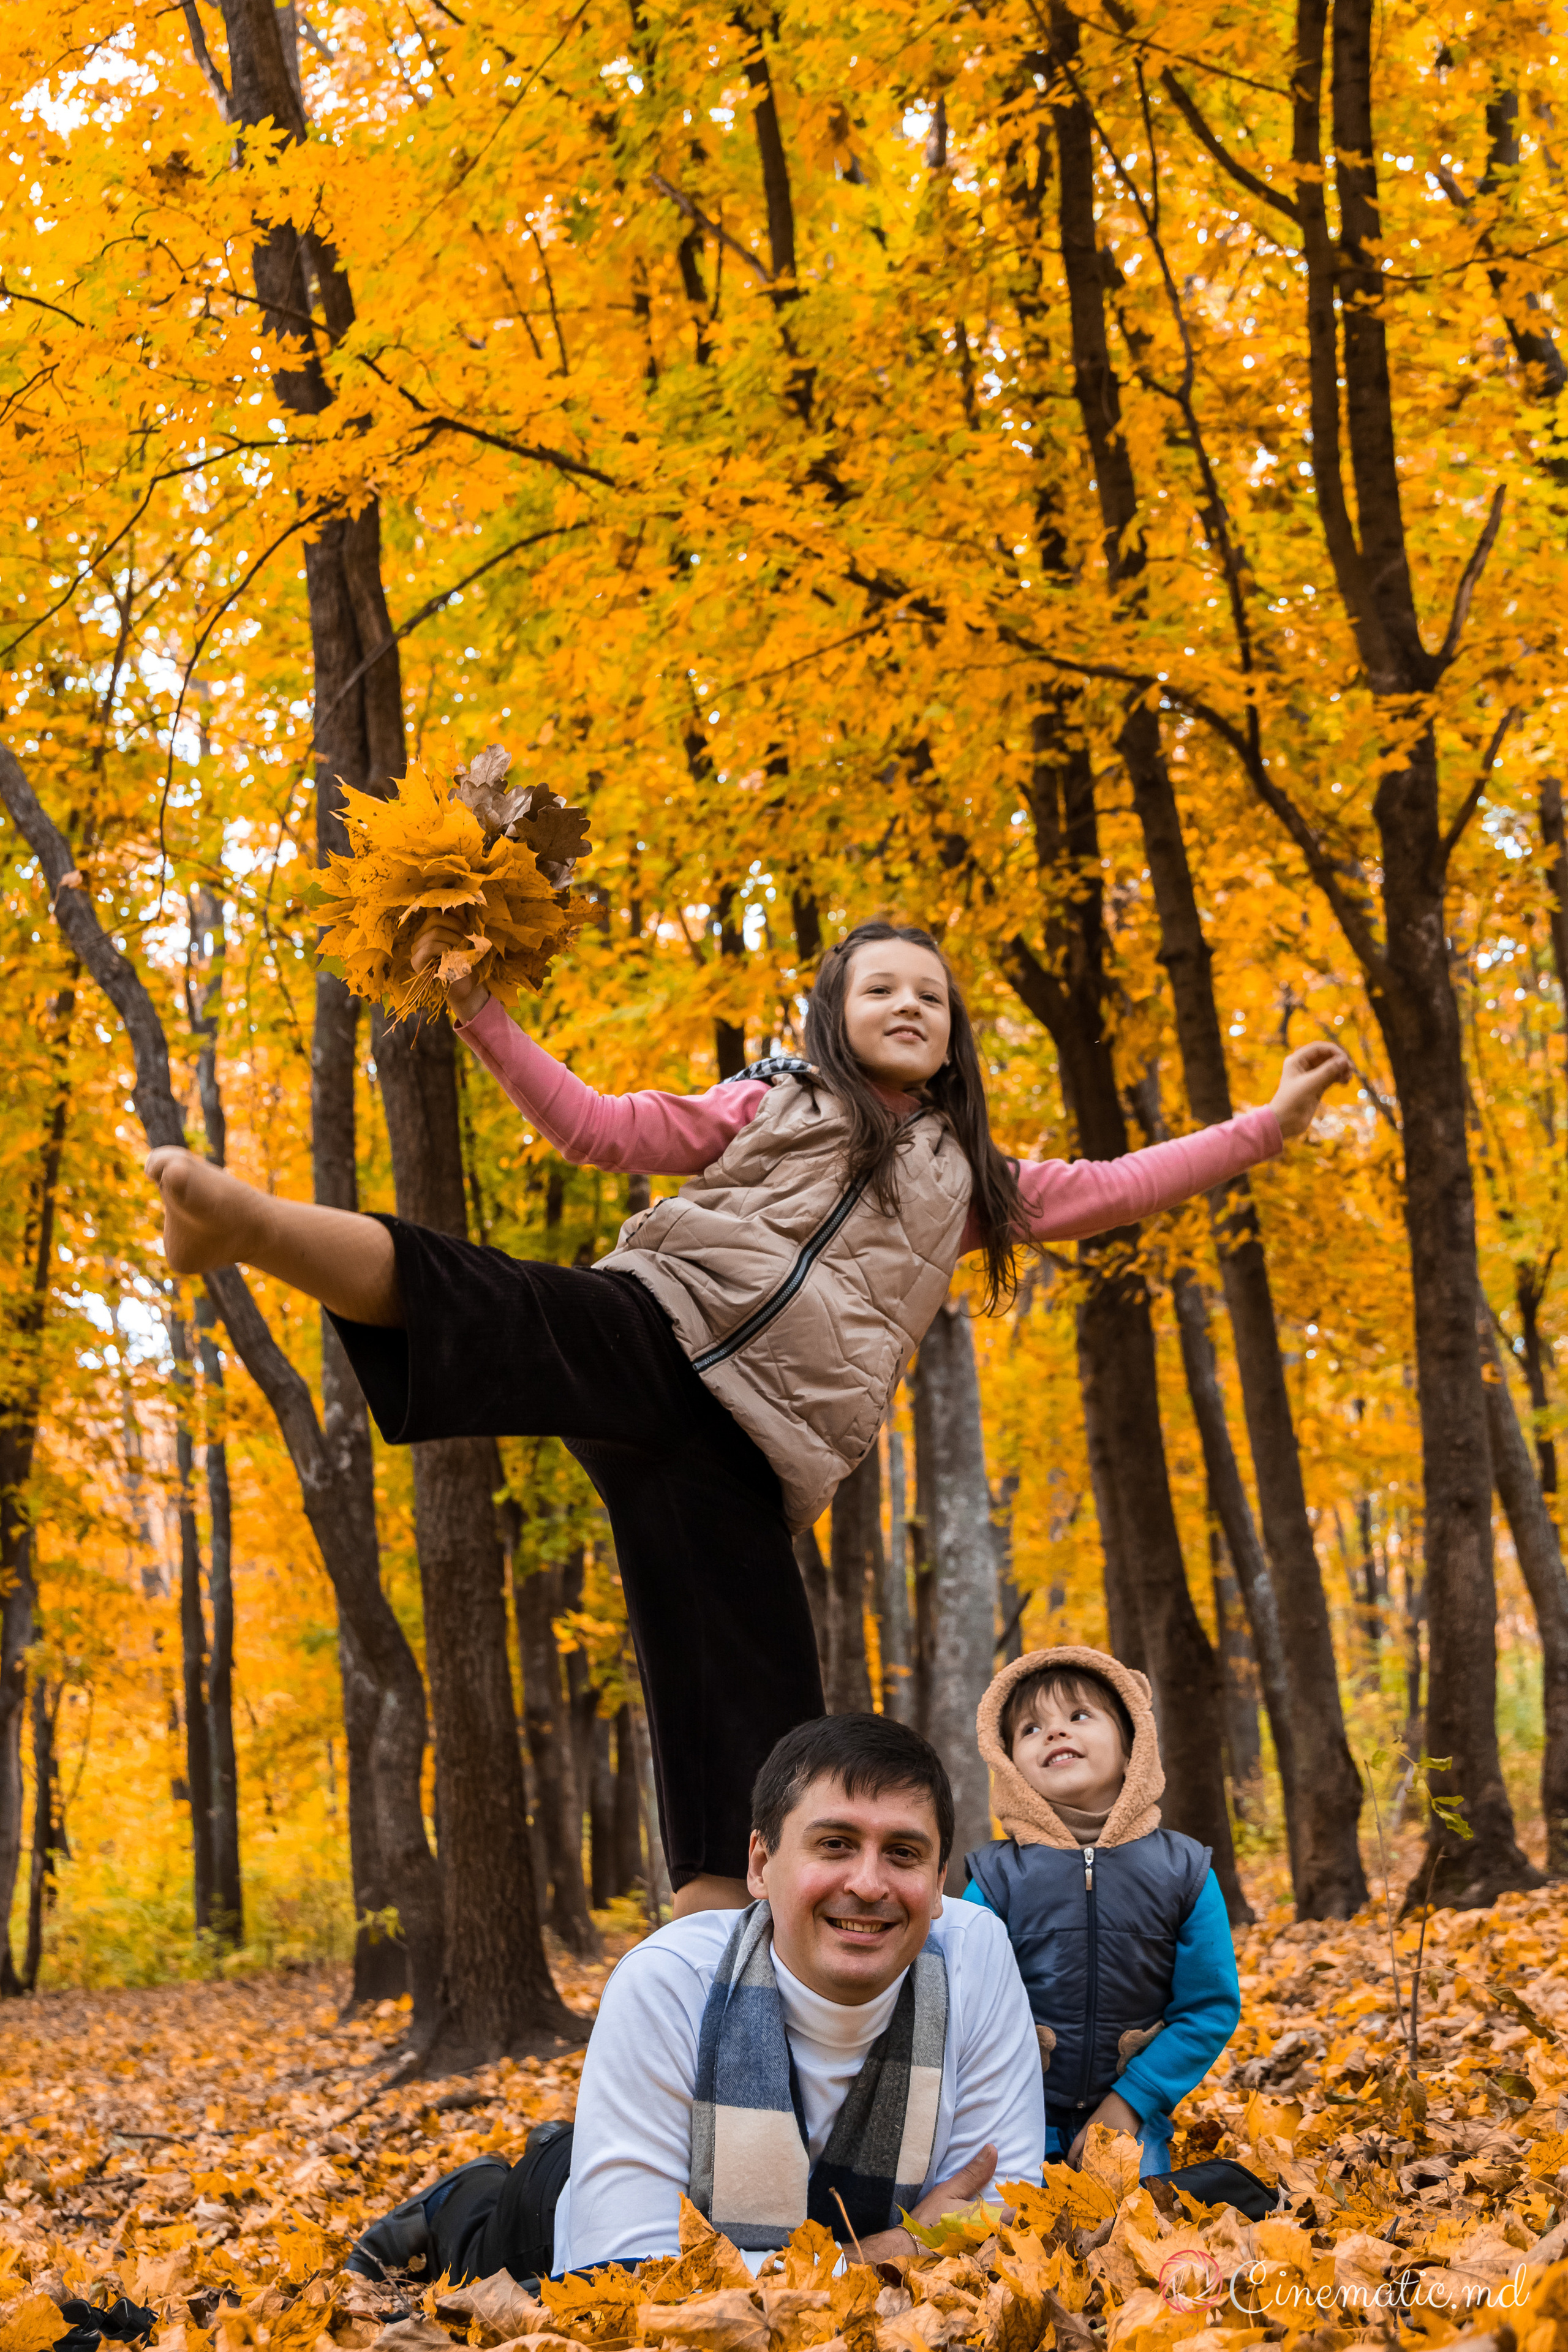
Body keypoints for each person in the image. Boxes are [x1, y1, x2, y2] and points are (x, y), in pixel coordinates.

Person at [146, 916, 1350, 1912]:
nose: (907, 1005)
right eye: (879, 986)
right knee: (499, 1303)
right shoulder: (773, 1100)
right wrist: (477, 1011)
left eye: (928, 996)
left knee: (759, 1724)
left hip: (752, 1459)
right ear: (834, 1012)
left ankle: (719, 1968)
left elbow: (1123, 1184)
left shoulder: (973, 1185)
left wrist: (1268, 1126)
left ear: (949, 1042)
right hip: (657, 1332)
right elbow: (595, 1126)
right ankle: (247, 1224)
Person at [350, 1714, 1045, 2280]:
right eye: (834, 1844)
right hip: (547, 2227)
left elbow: (1007, 2214)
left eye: (902, 1852)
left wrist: (861, 2263)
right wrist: (892, 2253)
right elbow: (629, 2279)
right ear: (761, 1865)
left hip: (722, 2225)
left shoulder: (974, 1954)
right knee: (488, 2239)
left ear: (938, 1880)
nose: (868, 1883)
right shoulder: (667, 1978)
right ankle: (458, 2198)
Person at [963, 1646, 1242, 2180]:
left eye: (1079, 1716)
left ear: (1131, 1742)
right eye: (1029, 1729)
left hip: (1131, 2115)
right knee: (1003, 2238)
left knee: (1127, 2226)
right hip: (1013, 2116)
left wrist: (1131, 2104)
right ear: (1007, 1762)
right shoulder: (996, 1880)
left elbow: (1209, 2008)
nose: (1054, 1733)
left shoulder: (1183, 1872)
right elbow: (963, 2009)